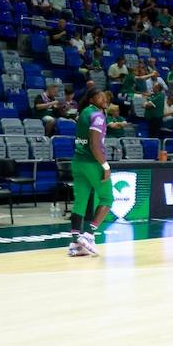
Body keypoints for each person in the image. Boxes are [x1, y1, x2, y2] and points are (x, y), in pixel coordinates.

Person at [66, 87, 113, 257]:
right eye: (101, 98)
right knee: (108, 198)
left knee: (81, 201)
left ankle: (74, 244)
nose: (104, 100)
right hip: (92, 163)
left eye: (105, 98)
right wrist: (105, 166)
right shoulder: (98, 116)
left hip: (77, 162)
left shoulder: (84, 112)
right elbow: (94, 145)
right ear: (92, 99)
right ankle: (89, 235)